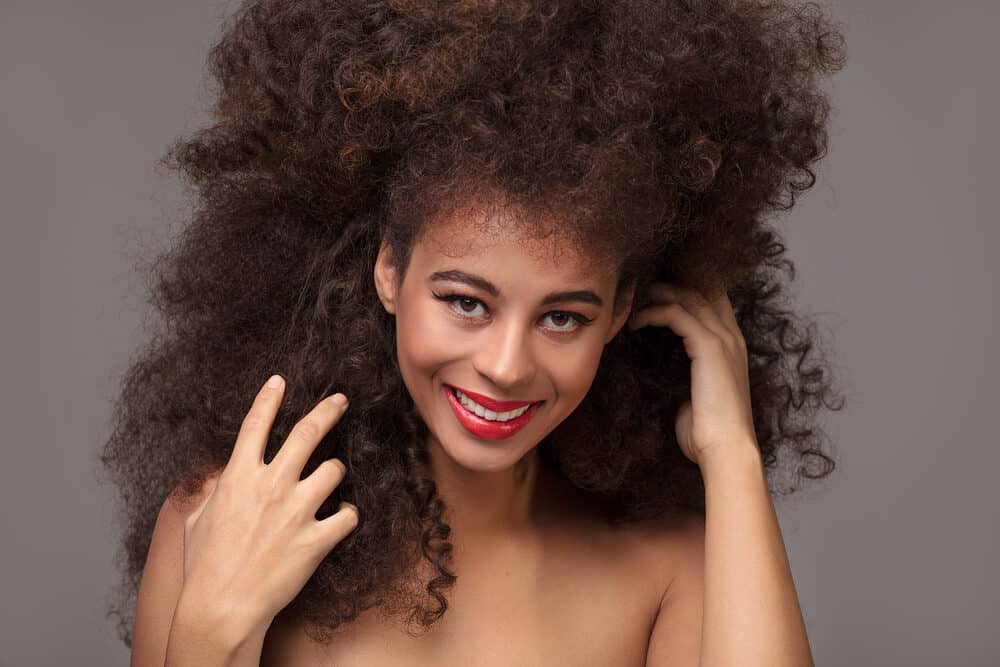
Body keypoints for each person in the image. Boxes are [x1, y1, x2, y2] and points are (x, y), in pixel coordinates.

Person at [101, 1, 847, 664]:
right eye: (466, 302)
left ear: (620, 312)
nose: (505, 364)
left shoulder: (668, 564)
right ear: (389, 268)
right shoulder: (220, 523)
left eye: (563, 316)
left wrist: (733, 453)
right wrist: (208, 632)